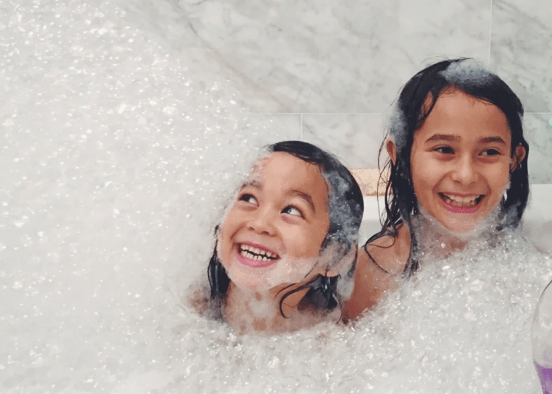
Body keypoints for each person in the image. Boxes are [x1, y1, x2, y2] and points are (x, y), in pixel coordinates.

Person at [343, 58, 530, 321]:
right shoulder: (366, 278)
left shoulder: (529, 271)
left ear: (514, 160)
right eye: (444, 149)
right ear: (401, 156)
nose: (465, 176)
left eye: (489, 152)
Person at [193, 141, 364, 333]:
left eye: (292, 210)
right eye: (248, 198)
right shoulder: (177, 314)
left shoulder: (331, 348)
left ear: (335, 256)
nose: (259, 224)